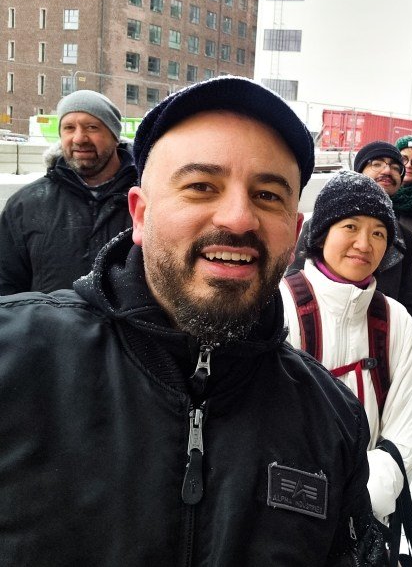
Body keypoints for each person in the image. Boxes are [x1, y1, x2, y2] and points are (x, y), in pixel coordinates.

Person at [0, 77, 387, 566]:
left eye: (268, 195)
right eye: (202, 186)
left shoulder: (330, 420)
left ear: (293, 234)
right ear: (140, 216)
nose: (238, 217)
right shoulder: (14, 361)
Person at [280, 170, 412, 523]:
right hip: (284, 508)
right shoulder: (279, 306)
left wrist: (366, 497)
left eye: (378, 233)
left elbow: (407, 425)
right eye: (350, 227)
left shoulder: (395, 320)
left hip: (366, 509)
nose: (365, 243)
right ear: (321, 232)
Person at [0, 90, 136, 294]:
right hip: (48, 326)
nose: (79, 138)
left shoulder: (145, 198)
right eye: (69, 128)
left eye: (92, 127)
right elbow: (6, 285)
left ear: (114, 136)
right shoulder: (25, 205)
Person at [291, 141, 412, 314]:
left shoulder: (404, 237)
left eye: (396, 167)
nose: (388, 171)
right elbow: (295, 280)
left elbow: (407, 296)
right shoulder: (321, 223)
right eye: (377, 163)